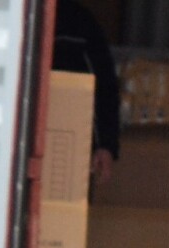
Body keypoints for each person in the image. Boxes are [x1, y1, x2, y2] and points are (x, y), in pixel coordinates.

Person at [52, 0, 122, 186]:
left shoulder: (78, 23)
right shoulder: (7, 17)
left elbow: (104, 86)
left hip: (66, 150)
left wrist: (105, 145)